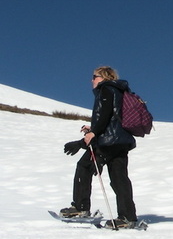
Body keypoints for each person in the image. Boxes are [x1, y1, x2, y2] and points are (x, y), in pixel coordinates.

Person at [60, 66, 139, 229]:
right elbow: (113, 118)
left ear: (103, 77)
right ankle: (127, 217)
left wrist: (92, 133)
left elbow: (104, 115)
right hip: (121, 141)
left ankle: (81, 207)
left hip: (107, 142)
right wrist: (93, 129)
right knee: (120, 179)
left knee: (84, 166)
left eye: (94, 76)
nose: (92, 80)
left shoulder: (106, 90)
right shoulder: (119, 91)